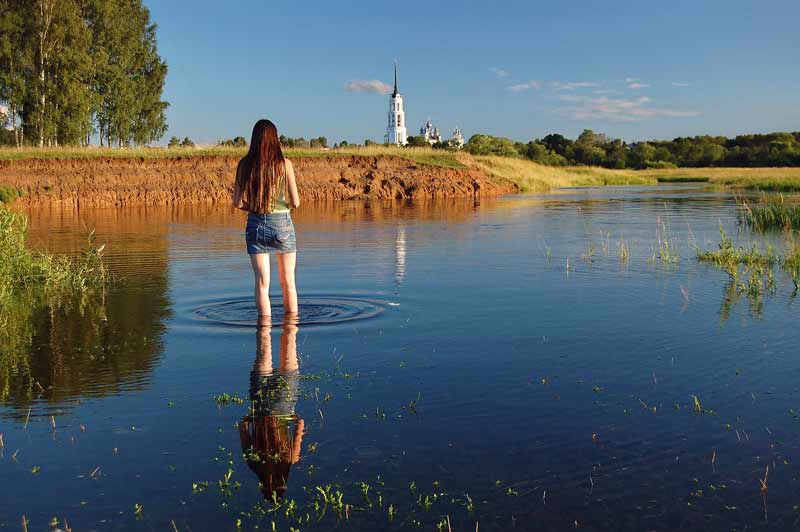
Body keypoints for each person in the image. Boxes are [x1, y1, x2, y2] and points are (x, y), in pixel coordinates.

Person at [233, 119, 301, 318]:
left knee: (262, 283)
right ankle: (291, 332)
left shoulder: (244, 165)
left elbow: (237, 203)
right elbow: (296, 202)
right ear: (275, 138)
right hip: (282, 223)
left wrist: (254, 207)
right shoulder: (284, 164)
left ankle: (264, 336)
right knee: (288, 281)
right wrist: (282, 208)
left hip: (255, 223)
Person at [239, 317, 305, 500]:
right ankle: (264, 286)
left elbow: (300, 423)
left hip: (285, 404)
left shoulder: (290, 459)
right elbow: (242, 428)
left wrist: (291, 416)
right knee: (263, 337)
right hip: (260, 405)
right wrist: (252, 418)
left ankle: (287, 289)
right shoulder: (254, 463)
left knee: (290, 337)